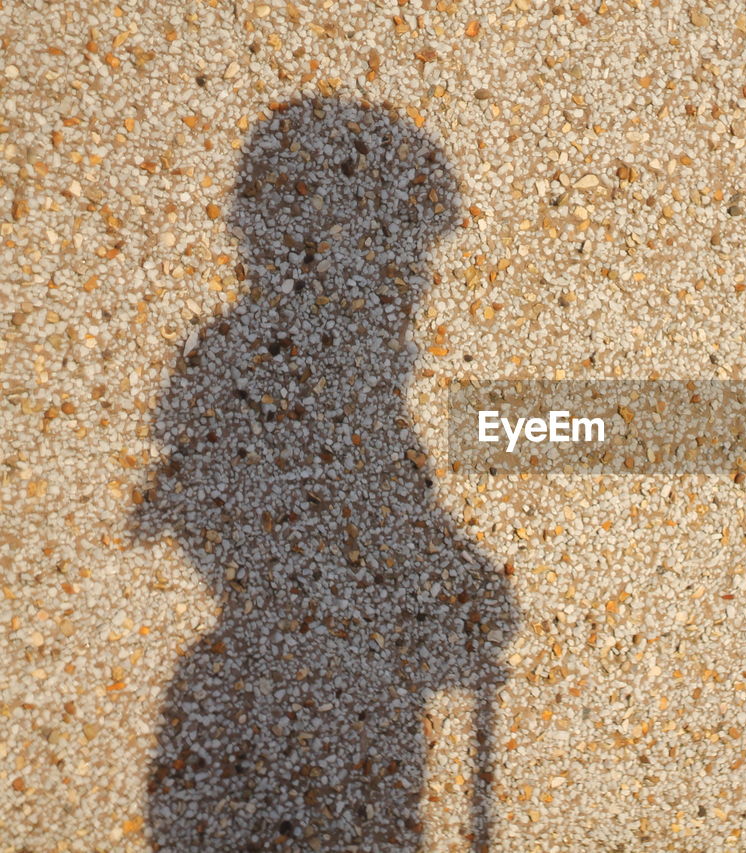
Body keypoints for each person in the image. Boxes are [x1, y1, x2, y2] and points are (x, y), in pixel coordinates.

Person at [136, 97, 517, 851]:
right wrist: (440, 606)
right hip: (284, 739)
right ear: (331, 246)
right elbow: (305, 559)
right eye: (404, 256)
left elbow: (395, 539)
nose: (415, 287)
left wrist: (459, 592)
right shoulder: (269, 377)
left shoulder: (356, 392)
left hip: (353, 732)